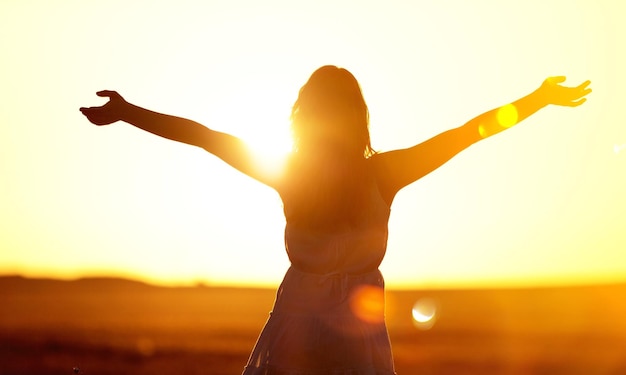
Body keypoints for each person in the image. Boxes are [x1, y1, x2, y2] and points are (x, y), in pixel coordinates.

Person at [80, 65, 591, 374]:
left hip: (336, 350)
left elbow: (468, 132)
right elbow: (204, 136)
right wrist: (128, 112)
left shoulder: (348, 173)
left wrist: (538, 99)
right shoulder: (320, 173)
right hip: (313, 352)